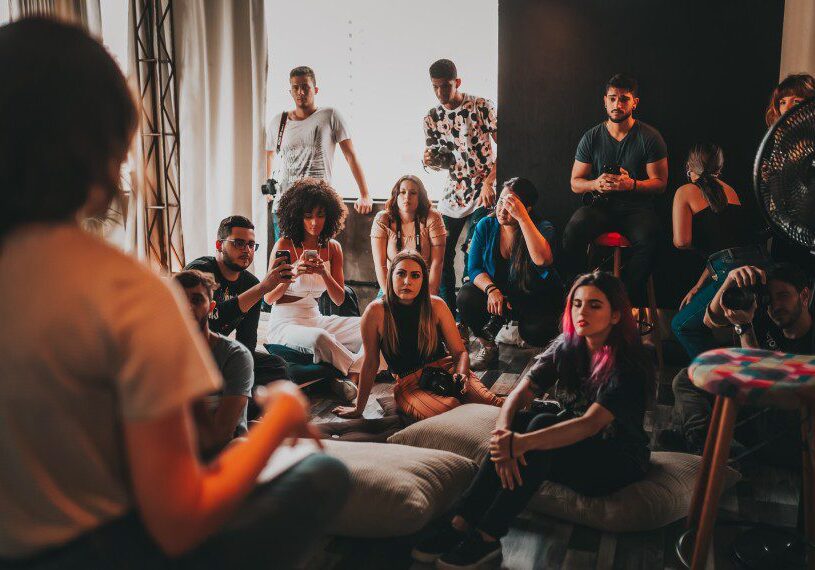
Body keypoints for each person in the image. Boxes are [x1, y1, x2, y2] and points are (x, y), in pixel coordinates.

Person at [0, 17, 348, 568]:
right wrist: (280, 419)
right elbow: (180, 520)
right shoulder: (128, 291)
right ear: (106, 149)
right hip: (91, 550)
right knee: (326, 471)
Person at [412, 271, 653, 568]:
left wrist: (521, 444)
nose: (582, 312)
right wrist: (504, 438)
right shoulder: (568, 344)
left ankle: (488, 537)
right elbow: (519, 393)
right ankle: (462, 521)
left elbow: (591, 423)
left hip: (616, 457)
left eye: (594, 305)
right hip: (574, 444)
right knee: (522, 419)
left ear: (616, 315)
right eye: (576, 303)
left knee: (538, 427)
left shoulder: (627, 362)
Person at [333, 251, 503, 421]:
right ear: (391, 275)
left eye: (415, 275)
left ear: (423, 280)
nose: (407, 281)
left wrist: (461, 374)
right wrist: (358, 409)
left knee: (494, 405)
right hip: (409, 385)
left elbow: (460, 353)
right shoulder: (375, 311)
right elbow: (370, 363)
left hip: (447, 369)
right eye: (401, 274)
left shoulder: (436, 305)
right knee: (451, 409)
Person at [668, 263, 813, 462]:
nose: (775, 306)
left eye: (783, 296)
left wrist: (745, 328)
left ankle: (696, 446)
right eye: (770, 298)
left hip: (785, 424)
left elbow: (763, 384)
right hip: (753, 410)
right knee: (686, 378)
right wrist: (729, 281)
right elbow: (710, 320)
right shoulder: (765, 315)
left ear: (804, 296)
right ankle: (699, 446)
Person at [263, 177, 379, 399]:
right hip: (285, 323)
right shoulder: (285, 245)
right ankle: (359, 371)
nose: (314, 223)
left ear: (330, 216)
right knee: (320, 339)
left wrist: (324, 273)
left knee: (369, 326)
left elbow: (338, 300)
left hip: (315, 316)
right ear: (297, 216)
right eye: (308, 216)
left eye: (320, 215)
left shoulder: (333, 248)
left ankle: (348, 375)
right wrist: (292, 274)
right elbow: (268, 298)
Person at [561, 74, 668, 305]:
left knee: (652, 238)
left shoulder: (649, 137)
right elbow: (575, 182)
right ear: (605, 101)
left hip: (636, 210)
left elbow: (660, 183)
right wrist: (595, 183)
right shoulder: (592, 137)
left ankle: (619, 302)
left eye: (624, 99)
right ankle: (580, 297)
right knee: (574, 229)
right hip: (601, 207)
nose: (617, 105)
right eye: (612, 99)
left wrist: (633, 184)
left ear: (634, 102)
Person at [670, 142, 768, 359]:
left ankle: (716, 379)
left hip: (730, 270)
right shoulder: (730, 190)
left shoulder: (684, 191)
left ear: (689, 167)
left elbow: (681, 241)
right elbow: (727, 250)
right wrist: (698, 285)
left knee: (681, 325)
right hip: (757, 264)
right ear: (719, 167)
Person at [263, 65, 372, 254]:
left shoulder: (330, 116)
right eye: (296, 87)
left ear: (315, 89)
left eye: (305, 86)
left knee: (319, 261)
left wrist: (364, 193)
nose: (301, 92)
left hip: (318, 205)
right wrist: (267, 189)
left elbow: (350, 155)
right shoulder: (279, 121)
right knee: (287, 261)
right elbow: (269, 154)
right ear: (290, 91)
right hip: (286, 204)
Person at [457, 178, 562, 370]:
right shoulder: (485, 225)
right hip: (497, 297)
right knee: (466, 295)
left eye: (511, 205)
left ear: (527, 208)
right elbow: (474, 269)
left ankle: (545, 356)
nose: (502, 209)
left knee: (536, 331)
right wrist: (491, 290)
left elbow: (542, 260)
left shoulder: (543, 228)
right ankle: (489, 348)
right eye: (501, 201)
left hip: (531, 297)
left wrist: (522, 219)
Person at [423, 58, 498, 328]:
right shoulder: (431, 117)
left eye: (445, 86)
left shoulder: (481, 106)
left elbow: (508, 147)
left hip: (483, 186)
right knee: (439, 250)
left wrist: (490, 181)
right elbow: (440, 162)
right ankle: (448, 314)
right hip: (454, 190)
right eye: (435, 87)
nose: (441, 93)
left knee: (472, 251)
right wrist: (430, 161)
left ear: (457, 82)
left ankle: (470, 316)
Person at [186, 215, 290, 386]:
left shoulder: (251, 284)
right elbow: (212, 319)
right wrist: (262, 289)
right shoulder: (200, 272)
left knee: (278, 366)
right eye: (239, 243)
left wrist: (243, 364)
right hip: (190, 354)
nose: (247, 250)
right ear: (219, 245)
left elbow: (247, 340)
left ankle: (237, 394)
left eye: (251, 245)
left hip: (220, 355)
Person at [174, 270, 256, 458]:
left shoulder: (235, 355)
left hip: (221, 453)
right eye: (178, 299)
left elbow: (220, 435)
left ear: (211, 307)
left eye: (196, 300)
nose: (186, 307)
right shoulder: (158, 352)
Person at [763, 73, 815, 278]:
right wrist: (771, 179)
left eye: (797, 101)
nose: (788, 106)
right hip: (786, 232)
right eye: (782, 102)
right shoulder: (780, 145)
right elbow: (779, 200)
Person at [370, 174, 447, 296]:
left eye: (413, 193)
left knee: (435, 312)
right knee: (376, 312)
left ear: (420, 197)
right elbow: (380, 264)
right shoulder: (383, 219)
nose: (407, 197)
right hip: (392, 285)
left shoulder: (433, 217)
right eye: (403, 192)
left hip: (423, 285)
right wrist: (390, 296)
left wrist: (430, 297)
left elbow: (437, 262)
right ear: (396, 195)